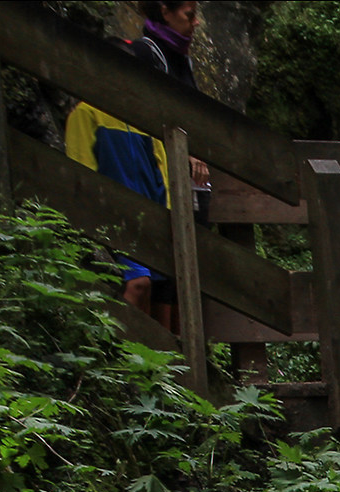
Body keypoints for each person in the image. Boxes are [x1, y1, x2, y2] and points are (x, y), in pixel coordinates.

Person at [62, 1, 209, 331]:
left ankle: (145, 362)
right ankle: (114, 348)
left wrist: (170, 213)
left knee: (156, 292)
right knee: (138, 286)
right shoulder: (86, 113)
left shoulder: (143, 120)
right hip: (114, 219)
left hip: (150, 219)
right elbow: (81, 168)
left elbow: (160, 169)